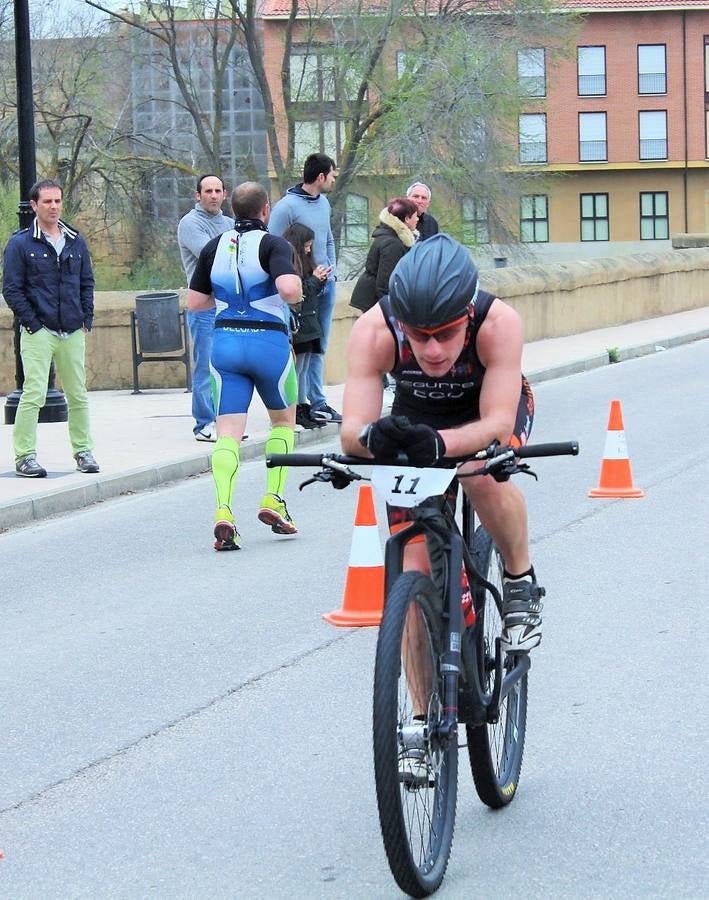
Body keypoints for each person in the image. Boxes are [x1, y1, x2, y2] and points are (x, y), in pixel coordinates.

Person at [340, 234, 543, 653]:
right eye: (419, 335)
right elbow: (352, 432)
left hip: (484, 410)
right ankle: (418, 714)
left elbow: (497, 425)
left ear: (467, 314)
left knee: (480, 472)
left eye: (447, 334)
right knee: (411, 587)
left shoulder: (497, 323)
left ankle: (520, 579)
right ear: (401, 323)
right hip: (418, 418)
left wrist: (441, 444)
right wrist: (373, 437)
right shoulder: (374, 330)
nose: (432, 350)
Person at [187, 181, 303, 551]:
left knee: (227, 433)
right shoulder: (274, 244)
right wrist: (298, 292)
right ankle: (273, 499)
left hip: (225, 346)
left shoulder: (213, 246)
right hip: (268, 344)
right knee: (283, 422)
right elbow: (287, 289)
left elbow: (194, 301)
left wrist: (226, 303)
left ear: (233, 210)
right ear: (266, 210)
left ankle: (224, 510)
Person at [2, 178, 99, 478]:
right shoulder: (20, 244)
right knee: (33, 394)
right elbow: (11, 289)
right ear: (34, 206)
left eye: (57, 201)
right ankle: (25, 456)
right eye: (47, 201)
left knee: (78, 394)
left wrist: (86, 318)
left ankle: (83, 451)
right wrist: (32, 323)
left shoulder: (75, 240)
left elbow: (86, 281)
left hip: (71, 329)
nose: (54, 206)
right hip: (38, 331)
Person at [268, 153, 341, 427]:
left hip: (325, 286)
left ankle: (318, 402)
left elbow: (328, 239)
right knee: (300, 348)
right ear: (320, 176)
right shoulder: (286, 207)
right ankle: (298, 404)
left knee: (318, 346)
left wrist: (331, 269)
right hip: (300, 290)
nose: (334, 179)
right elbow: (273, 245)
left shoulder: (324, 203)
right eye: (332, 175)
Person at [177, 174, 234, 442]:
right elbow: (213, 255)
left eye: (218, 190)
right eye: (208, 191)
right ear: (197, 195)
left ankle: (226, 423)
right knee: (205, 367)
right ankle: (204, 423)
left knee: (227, 367)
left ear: (225, 194)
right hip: (204, 307)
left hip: (229, 304)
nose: (213, 195)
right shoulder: (190, 223)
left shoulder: (231, 223)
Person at [282, 223, 330, 431]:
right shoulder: (291, 264)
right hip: (300, 321)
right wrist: (314, 279)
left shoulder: (304, 262)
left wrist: (319, 280)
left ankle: (303, 406)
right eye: (307, 245)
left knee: (304, 367)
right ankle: (297, 409)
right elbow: (299, 293)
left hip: (310, 320)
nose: (309, 250)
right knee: (298, 368)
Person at [350, 197, 418, 314]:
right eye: (415, 216)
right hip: (374, 304)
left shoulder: (390, 236)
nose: (417, 219)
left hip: (373, 302)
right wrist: (389, 313)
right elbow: (385, 282)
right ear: (406, 219)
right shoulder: (392, 243)